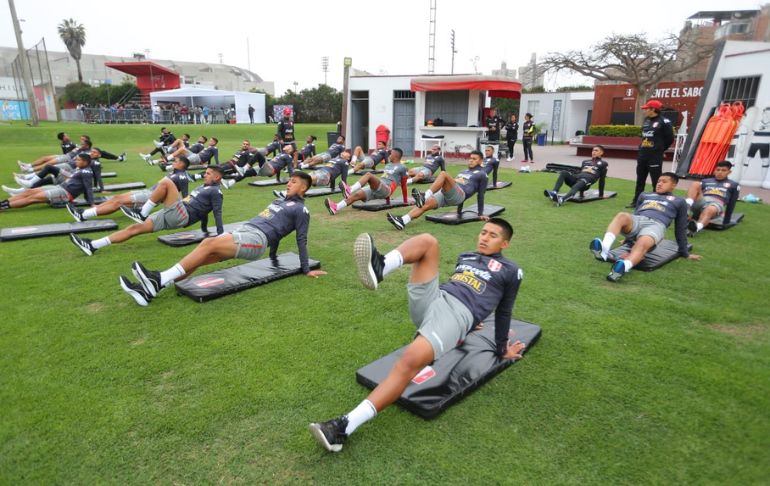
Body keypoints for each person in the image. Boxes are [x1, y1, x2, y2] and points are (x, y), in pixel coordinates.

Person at [308, 219, 525, 452]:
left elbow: (503, 310)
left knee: (409, 361)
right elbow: (458, 285)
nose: (484, 237)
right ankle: (381, 266)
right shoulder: (467, 256)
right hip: (436, 299)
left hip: (455, 314)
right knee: (428, 242)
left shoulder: (511, 271)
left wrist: (501, 348)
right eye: (483, 232)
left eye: (492, 235)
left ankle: (342, 428)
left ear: (505, 243)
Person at [118, 171, 326, 306]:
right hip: (245, 231)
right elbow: (280, 229)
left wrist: (306, 269)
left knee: (207, 243)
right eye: (289, 180)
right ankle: (150, 290)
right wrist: (274, 257)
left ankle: (157, 279)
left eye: (294, 182)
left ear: (304, 188)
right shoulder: (278, 201)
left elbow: (301, 238)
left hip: (256, 239)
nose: (289, 183)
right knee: (200, 258)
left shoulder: (302, 210)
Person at [68, 166, 225, 256]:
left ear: (217, 177)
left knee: (167, 182)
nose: (205, 174)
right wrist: (204, 229)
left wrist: (220, 235)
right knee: (134, 229)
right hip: (174, 213)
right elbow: (205, 211)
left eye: (209, 173)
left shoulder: (216, 193)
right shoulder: (204, 187)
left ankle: (142, 213)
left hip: (181, 214)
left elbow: (217, 212)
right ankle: (93, 245)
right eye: (205, 172)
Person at [589, 172, 701, 282]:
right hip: (639, 220)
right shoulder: (645, 195)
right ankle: (604, 250)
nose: (659, 184)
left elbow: (680, 228)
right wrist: (629, 239)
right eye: (658, 181)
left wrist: (684, 252)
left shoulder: (679, 201)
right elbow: (636, 213)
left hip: (656, 225)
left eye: (664, 182)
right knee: (622, 216)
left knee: (642, 244)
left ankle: (622, 268)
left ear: (674, 185)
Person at [65, 156, 197, 222]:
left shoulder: (182, 177)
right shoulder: (175, 172)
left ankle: (83, 215)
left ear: (182, 164)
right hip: (147, 191)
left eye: (176, 161)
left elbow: (185, 196)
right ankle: (85, 212)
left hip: (149, 197)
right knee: (116, 198)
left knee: (118, 203)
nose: (173, 161)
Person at [386, 150, 488, 230]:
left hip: (459, 195)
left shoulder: (482, 174)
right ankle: (402, 221)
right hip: (448, 194)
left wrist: (480, 214)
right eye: (470, 158)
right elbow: (455, 185)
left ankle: (424, 196)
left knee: (443, 174)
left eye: (474, 159)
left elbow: (481, 195)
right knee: (424, 204)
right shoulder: (463, 171)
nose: (471, 160)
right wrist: (459, 212)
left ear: (480, 161)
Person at [325, 148, 407, 215]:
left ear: (396, 156)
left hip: (386, 189)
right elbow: (386, 178)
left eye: (391, 154)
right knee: (356, 195)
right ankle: (336, 207)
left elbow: (403, 184)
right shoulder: (388, 165)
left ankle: (349, 189)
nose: (389, 155)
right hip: (378, 187)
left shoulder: (402, 167)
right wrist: (387, 201)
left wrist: (405, 201)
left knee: (369, 175)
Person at [1, 153, 95, 211]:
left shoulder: (87, 172)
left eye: (79, 160)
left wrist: (91, 204)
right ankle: (2, 203)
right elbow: (72, 178)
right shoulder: (80, 169)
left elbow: (88, 188)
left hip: (65, 194)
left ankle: (4, 206)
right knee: (29, 192)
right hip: (60, 187)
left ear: (85, 162)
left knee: (32, 198)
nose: (76, 162)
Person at [628, 100, 674, 208]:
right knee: (640, 180)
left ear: (653, 109)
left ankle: (656, 201)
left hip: (655, 157)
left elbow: (670, 139)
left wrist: (660, 149)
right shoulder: (647, 120)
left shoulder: (664, 121)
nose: (644, 111)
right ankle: (636, 201)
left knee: (656, 181)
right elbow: (644, 137)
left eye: (646, 109)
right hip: (643, 155)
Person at [685, 160, 740, 236]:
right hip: (703, 201)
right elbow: (696, 192)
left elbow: (732, 203)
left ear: (729, 172)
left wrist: (726, 220)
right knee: (695, 184)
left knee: (709, 209)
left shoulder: (734, 185)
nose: (720, 172)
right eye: (718, 170)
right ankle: (686, 209)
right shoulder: (705, 181)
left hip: (716, 204)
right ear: (714, 171)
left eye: (723, 170)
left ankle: (696, 228)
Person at [544, 145, 609, 206]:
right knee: (564, 172)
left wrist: (601, 195)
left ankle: (561, 200)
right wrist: (581, 193)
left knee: (582, 181)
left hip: (586, 183)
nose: (593, 152)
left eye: (596, 150)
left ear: (601, 152)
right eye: (593, 150)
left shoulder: (604, 164)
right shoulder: (585, 161)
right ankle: (554, 192)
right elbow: (581, 172)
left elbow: (602, 180)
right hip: (577, 179)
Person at [221, 144, 296, 188]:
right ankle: (229, 183)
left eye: (288, 146)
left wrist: (292, 179)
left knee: (258, 154)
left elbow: (290, 168)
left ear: (290, 150)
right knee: (246, 173)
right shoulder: (280, 154)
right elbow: (279, 167)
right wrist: (278, 179)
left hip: (269, 169)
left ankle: (244, 168)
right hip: (266, 168)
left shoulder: (288, 157)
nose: (286, 146)